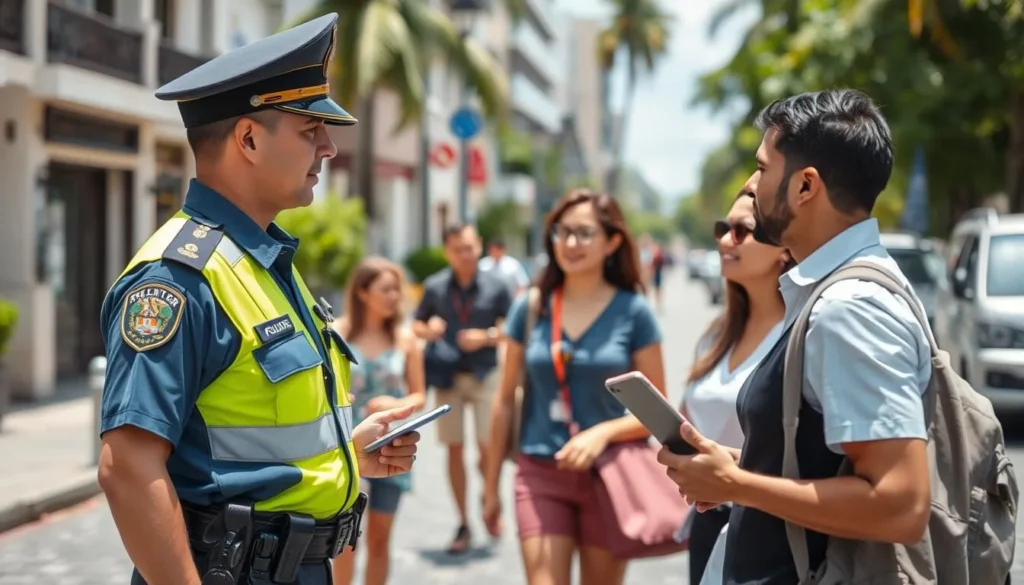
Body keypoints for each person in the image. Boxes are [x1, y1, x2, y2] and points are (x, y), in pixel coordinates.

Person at [96, 15, 421, 585]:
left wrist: (345, 455)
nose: (328, 146)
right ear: (247, 139)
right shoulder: (178, 279)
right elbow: (127, 468)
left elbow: (245, 435)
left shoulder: (264, 262)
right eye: (308, 130)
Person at [657, 89, 933, 584]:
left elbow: (899, 504)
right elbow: (829, 466)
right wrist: (739, 466)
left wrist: (738, 484)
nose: (750, 183)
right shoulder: (830, 292)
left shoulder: (850, 307)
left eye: (763, 168)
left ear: (806, 186)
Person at [482, 189, 665, 585]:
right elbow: (504, 402)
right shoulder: (530, 308)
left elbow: (657, 413)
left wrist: (603, 433)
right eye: (561, 233)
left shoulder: (634, 312)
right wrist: (490, 484)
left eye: (584, 233)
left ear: (612, 242)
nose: (569, 243)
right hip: (539, 473)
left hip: (610, 476)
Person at [679, 190, 791, 585]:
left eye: (743, 231)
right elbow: (688, 418)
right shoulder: (717, 334)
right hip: (706, 521)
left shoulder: (797, 338)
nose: (727, 240)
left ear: (783, 248)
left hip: (768, 529)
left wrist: (733, 473)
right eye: (723, 228)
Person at [412, 223, 513, 554]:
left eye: (470, 248)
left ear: (480, 246)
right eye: (458, 249)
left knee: (488, 447)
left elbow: (512, 328)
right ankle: (463, 522)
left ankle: (490, 499)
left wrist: (486, 336)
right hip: (448, 376)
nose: (465, 255)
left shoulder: (497, 286)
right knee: (454, 449)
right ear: (447, 252)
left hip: (485, 374)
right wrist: (429, 330)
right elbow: (416, 323)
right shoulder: (435, 286)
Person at [331, 258, 426, 585]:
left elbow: (419, 396)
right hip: (345, 448)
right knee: (344, 540)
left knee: (380, 537)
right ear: (362, 292)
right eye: (386, 289)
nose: (394, 296)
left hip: (391, 447)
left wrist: (396, 403)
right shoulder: (336, 333)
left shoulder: (406, 337)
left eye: (397, 290)